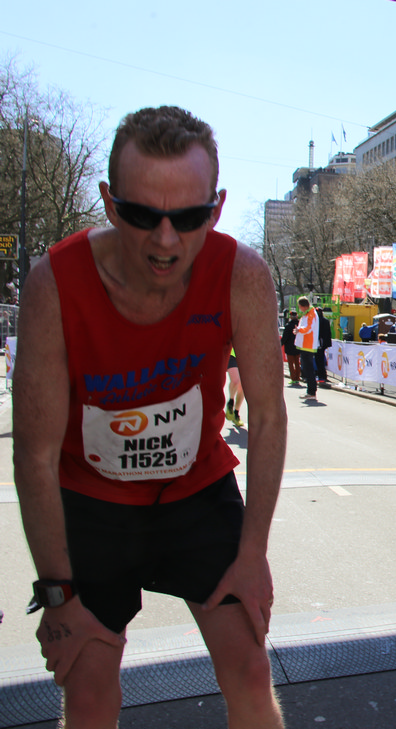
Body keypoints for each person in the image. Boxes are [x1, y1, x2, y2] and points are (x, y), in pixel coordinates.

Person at [12, 105, 288, 727]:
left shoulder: (242, 273)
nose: (165, 242)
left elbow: (269, 419)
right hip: (92, 504)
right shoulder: (53, 283)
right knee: (88, 696)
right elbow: (33, 453)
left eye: (188, 219)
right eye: (142, 216)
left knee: (250, 670)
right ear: (109, 203)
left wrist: (253, 554)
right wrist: (56, 593)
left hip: (197, 494)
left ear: (217, 209)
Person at [294, 296, 319, 401]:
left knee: (308, 370)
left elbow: (309, 328)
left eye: (299, 306)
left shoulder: (311, 314)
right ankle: (310, 391)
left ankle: (311, 392)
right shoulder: (308, 314)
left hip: (308, 345)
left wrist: (299, 330)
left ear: (302, 306)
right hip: (305, 344)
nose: (299, 308)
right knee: (307, 369)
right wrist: (299, 330)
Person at [225, 347, 244, 427]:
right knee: (236, 380)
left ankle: (236, 413)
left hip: (246, 356)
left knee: (242, 387)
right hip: (231, 354)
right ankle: (231, 401)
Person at [315, 305, 332, 388]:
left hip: (319, 343)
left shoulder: (317, 321)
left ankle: (321, 376)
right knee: (321, 359)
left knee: (319, 360)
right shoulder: (325, 321)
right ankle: (322, 376)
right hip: (323, 343)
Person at [282, 309, 301, 385]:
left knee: (291, 364)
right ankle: (297, 378)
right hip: (298, 346)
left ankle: (293, 378)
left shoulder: (288, 326)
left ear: (290, 317)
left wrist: (280, 344)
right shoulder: (300, 325)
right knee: (297, 363)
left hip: (289, 347)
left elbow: (285, 337)